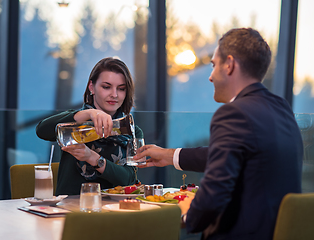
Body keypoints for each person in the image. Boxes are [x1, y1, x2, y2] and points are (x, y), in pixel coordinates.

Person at [134, 28, 303, 240]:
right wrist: (170, 155)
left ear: (230, 65)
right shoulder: (281, 107)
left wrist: (187, 215)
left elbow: (215, 192)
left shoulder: (234, 113)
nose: (211, 76)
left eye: (213, 65)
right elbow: (234, 156)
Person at [36, 57, 143, 195]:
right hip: (73, 208)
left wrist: (92, 157)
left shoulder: (131, 131)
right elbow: (42, 130)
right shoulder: (75, 123)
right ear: (91, 87)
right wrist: (87, 114)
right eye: (106, 87)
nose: (114, 95)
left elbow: (128, 178)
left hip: (116, 209)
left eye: (121, 89)